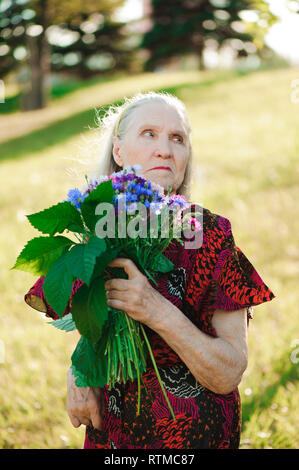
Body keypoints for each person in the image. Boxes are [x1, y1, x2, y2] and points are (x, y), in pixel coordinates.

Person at [24, 91, 275, 449]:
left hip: (195, 437)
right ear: (118, 151)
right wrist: (79, 372)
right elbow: (87, 317)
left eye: (178, 138)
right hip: (114, 438)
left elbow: (229, 372)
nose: (165, 150)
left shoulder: (211, 235)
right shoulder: (100, 228)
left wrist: (154, 309)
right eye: (149, 134)